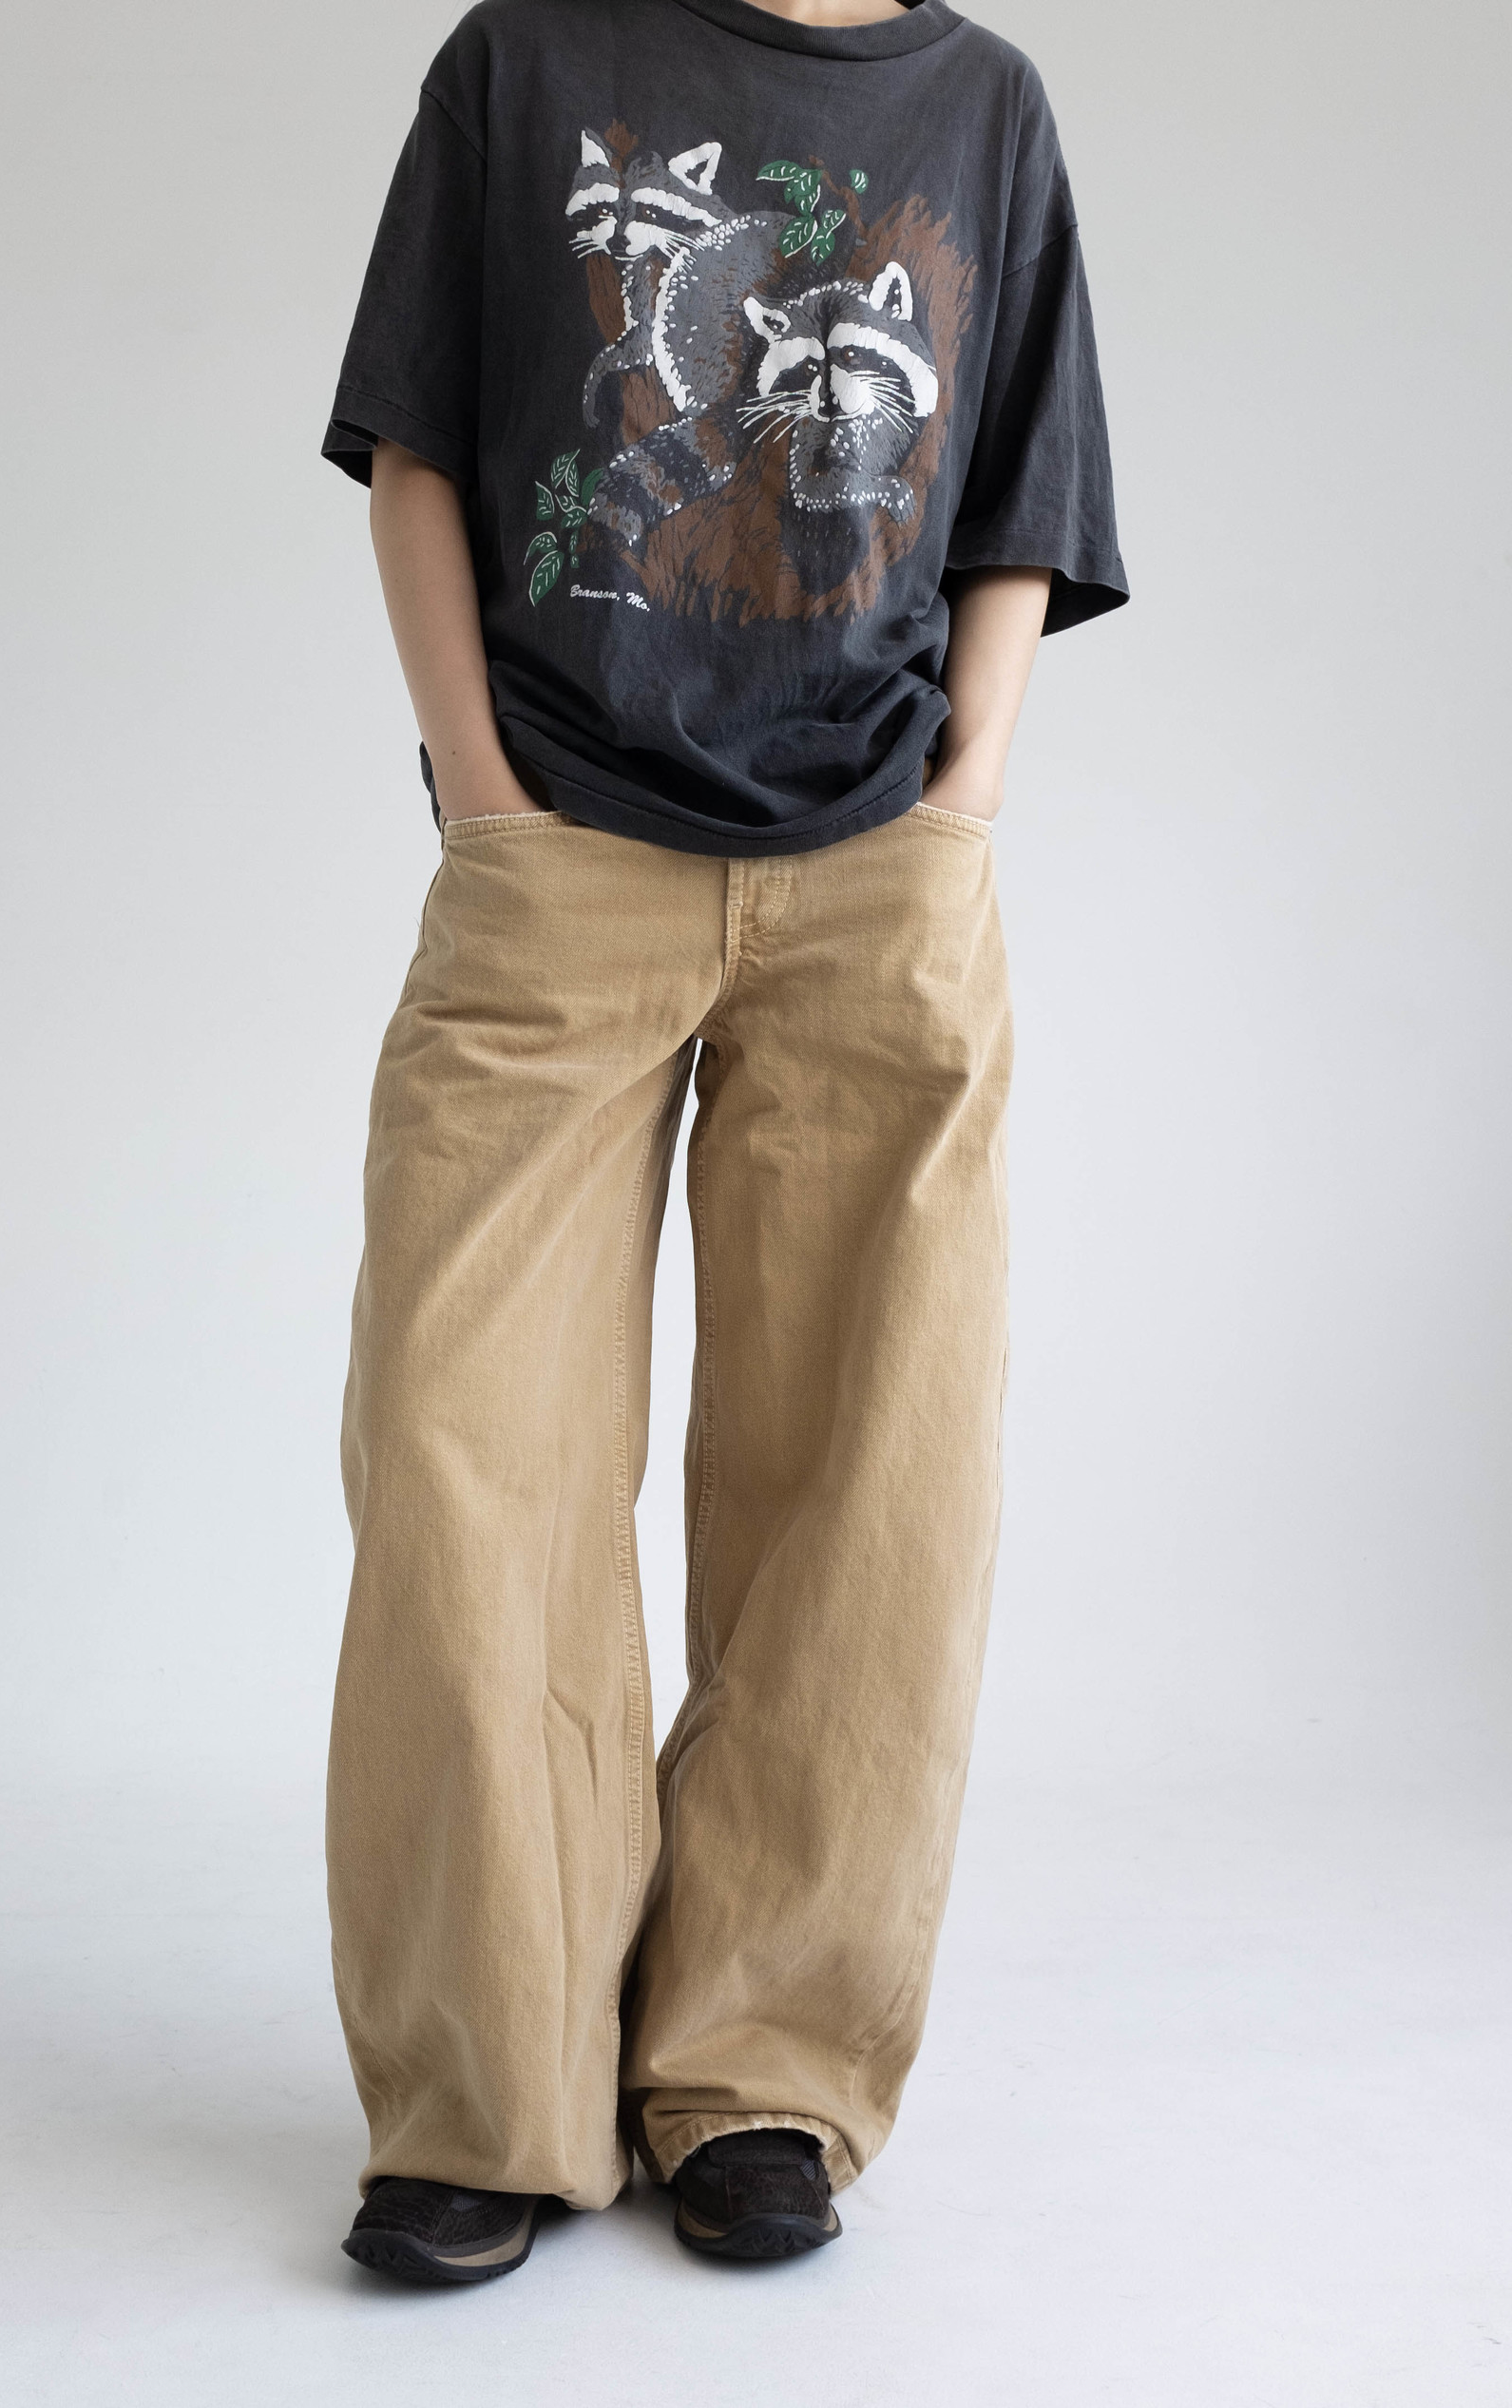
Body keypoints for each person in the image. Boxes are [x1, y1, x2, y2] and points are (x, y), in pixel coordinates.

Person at [319, 0, 1125, 2284]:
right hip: (554, 866)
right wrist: (482, 798)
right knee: (465, 1458)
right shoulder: (525, 63)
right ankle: (491, 2088)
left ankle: (762, 2070)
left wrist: (964, 803)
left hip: (880, 882)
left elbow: (1022, 495)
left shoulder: (983, 109)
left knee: (870, 1485)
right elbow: (416, 448)